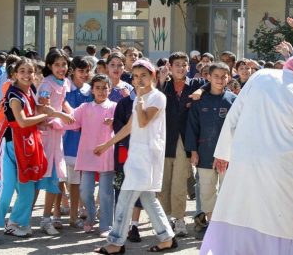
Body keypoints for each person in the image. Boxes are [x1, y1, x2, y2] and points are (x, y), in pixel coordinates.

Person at [198, 53, 293, 254]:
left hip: (245, 159)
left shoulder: (260, 76)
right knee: (278, 219)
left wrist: (223, 153)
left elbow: (234, 115)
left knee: (241, 210)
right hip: (282, 168)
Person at [0, 57, 68, 244]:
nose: (27, 75)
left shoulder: (31, 90)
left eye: (30, 71)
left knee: (27, 190)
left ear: (35, 75)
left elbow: (36, 110)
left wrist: (53, 113)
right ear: (14, 74)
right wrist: (48, 115)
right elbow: (22, 121)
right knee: (5, 189)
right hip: (10, 145)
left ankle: (14, 224)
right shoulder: (14, 94)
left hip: (26, 146)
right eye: (22, 71)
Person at [95, 59, 176, 254]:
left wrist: (139, 100)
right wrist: (107, 145)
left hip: (148, 156)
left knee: (125, 198)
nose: (139, 80)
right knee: (148, 198)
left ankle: (116, 242)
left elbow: (144, 120)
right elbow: (129, 126)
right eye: (136, 76)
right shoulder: (139, 98)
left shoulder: (157, 97)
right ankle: (167, 238)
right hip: (137, 154)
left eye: (143, 75)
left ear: (152, 76)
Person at [185, 62, 236, 237]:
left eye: (224, 76)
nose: (220, 80)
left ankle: (225, 224)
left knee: (227, 189)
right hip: (204, 152)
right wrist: (193, 151)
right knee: (206, 189)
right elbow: (192, 126)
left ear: (229, 78)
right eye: (216, 76)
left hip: (228, 155)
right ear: (208, 77)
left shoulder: (233, 100)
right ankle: (212, 223)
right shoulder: (199, 101)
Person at [62, 74, 116, 235]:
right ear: (92, 90)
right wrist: (52, 121)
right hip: (87, 153)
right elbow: (71, 121)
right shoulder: (85, 107)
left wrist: (114, 123)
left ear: (110, 90)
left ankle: (106, 225)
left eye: (104, 88)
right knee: (85, 191)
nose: (101, 91)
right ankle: (91, 217)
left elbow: (124, 126)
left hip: (106, 153)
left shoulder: (114, 107)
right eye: (97, 88)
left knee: (106, 193)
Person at [159, 51, 204, 237]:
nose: (180, 68)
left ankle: (179, 219)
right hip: (163, 139)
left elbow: (211, 85)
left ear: (188, 67)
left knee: (179, 182)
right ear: (169, 66)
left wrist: (201, 91)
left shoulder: (196, 84)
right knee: (163, 183)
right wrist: (161, 81)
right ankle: (164, 219)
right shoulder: (163, 85)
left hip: (185, 139)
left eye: (184, 65)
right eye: (176, 64)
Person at [36, 49, 74, 234]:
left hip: (56, 135)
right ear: (50, 66)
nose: (61, 68)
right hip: (45, 133)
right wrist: (62, 115)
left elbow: (63, 101)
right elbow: (43, 107)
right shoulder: (46, 83)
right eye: (57, 64)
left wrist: (73, 112)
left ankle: (46, 218)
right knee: (38, 177)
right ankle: (22, 218)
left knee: (55, 176)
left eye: (64, 64)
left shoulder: (65, 82)